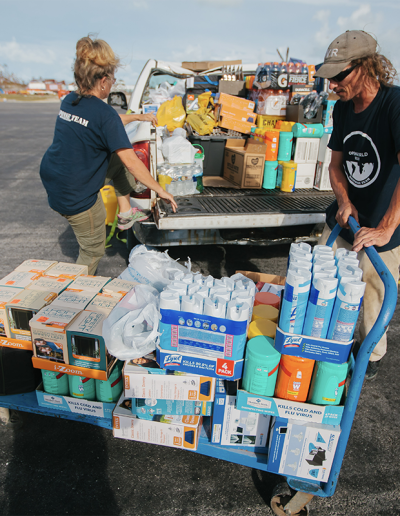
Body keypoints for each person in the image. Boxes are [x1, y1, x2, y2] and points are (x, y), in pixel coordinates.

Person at [40, 36, 177, 275]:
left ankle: (125, 215)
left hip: (55, 178)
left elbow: (105, 122)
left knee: (115, 163)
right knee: (92, 251)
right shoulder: (104, 114)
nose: (113, 84)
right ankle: (73, 294)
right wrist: (160, 190)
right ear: (103, 81)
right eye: (113, 79)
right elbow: (132, 162)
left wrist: (138, 117)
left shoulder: (70, 100)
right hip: (76, 195)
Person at [314, 30, 400, 380]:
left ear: (366, 66)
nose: (332, 84)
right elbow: (336, 166)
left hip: (385, 221)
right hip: (347, 216)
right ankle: (322, 342)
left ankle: (370, 357)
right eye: (329, 77)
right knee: (318, 273)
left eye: (339, 76)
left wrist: (386, 228)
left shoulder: (394, 104)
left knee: (373, 288)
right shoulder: (342, 108)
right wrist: (344, 201)